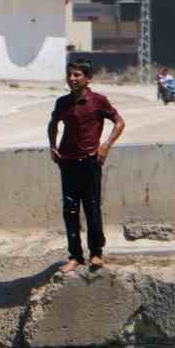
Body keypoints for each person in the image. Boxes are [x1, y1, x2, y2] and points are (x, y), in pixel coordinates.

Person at [47, 60, 125, 273]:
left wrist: (106, 146)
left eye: (77, 75)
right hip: (68, 163)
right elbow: (53, 124)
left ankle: (96, 253)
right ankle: (75, 256)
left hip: (90, 163)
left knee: (92, 207)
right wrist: (53, 146)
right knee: (70, 210)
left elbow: (119, 123)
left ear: (87, 78)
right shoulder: (62, 103)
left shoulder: (99, 101)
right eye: (69, 75)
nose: (72, 79)